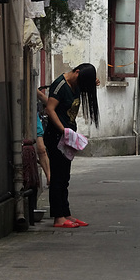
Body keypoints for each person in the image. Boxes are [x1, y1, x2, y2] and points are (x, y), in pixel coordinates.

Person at [43, 63, 100, 228]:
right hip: (56, 137)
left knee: (65, 177)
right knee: (57, 177)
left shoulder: (76, 84)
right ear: (76, 72)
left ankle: (66, 213)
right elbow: (50, 109)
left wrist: (92, 82)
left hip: (67, 137)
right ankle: (58, 217)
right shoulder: (60, 85)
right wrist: (63, 130)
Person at [36, 88, 50, 186]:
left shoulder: (31, 84)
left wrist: (53, 107)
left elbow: (41, 96)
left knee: (41, 149)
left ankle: (49, 177)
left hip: (32, 115)